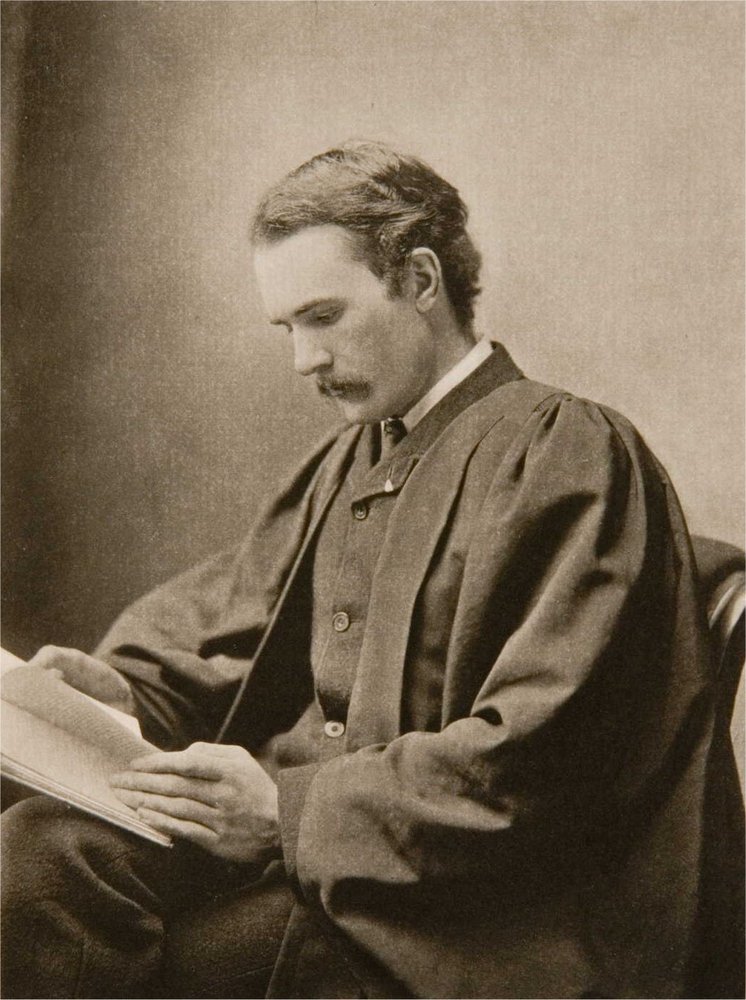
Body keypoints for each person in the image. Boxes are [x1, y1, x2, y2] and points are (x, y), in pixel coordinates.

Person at [2, 141, 743, 1000]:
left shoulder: (566, 451)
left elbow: (548, 757)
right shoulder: (348, 461)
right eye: (288, 329)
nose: (303, 361)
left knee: (186, 966)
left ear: (421, 280)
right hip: (308, 861)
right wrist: (126, 696)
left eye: (323, 317)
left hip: (464, 909)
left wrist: (287, 812)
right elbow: (229, 640)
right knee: (38, 856)